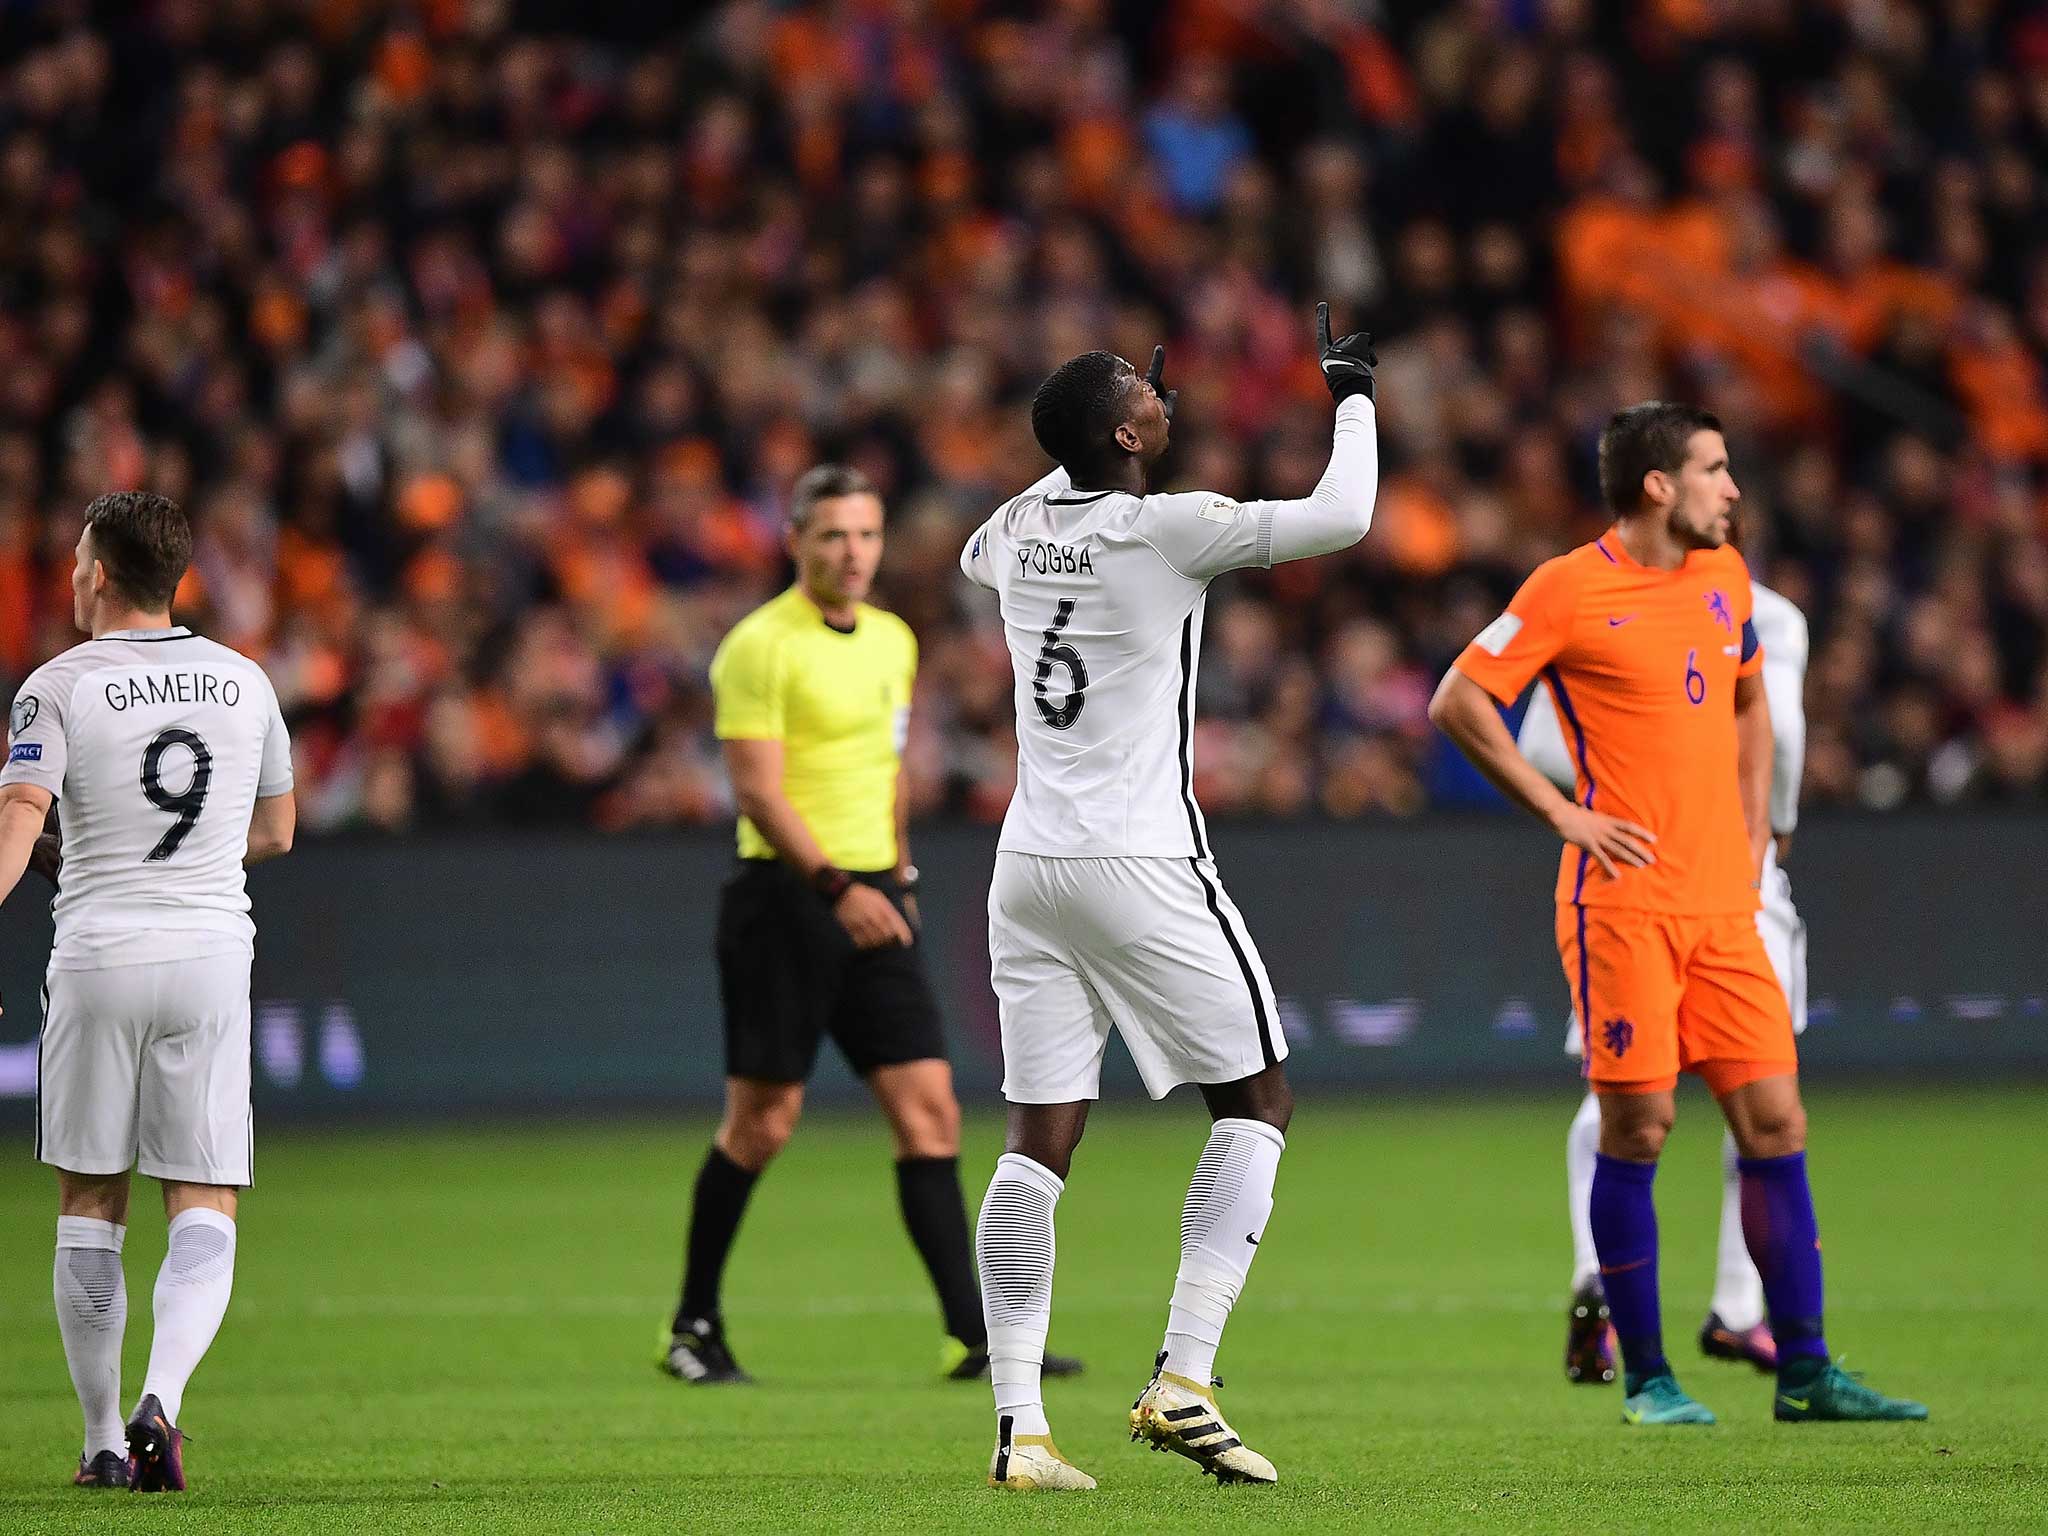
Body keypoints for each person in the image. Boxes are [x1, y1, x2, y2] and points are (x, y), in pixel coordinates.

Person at [1429, 402, 1925, 1426]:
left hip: (1722, 906)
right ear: (1658, 485)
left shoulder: (1723, 577)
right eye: (1715, 469)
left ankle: (1804, 1371)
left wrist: (1751, 829)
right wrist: (1563, 812)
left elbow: (1747, 700)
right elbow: (1458, 702)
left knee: (1774, 1121)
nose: (1732, 489)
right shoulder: (1567, 587)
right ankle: (1650, 1378)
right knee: (1639, 1126)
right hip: (1620, 909)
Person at [960, 306, 1379, 1491]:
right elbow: (1343, 516)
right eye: (1142, 402)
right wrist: (1348, 390)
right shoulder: (1169, 530)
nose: (1165, 400)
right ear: (1127, 439)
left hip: (1027, 866)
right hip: (1138, 859)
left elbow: (988, 546)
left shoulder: (1014, 522)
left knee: (1036, 1144)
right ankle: (1183, 1377)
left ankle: (1018, 1432)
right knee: (1257, 1098)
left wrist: (1091, 441)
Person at [660, 464, 1080, 1387]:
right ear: (795, 542)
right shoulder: (759, 648)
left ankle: (972, 1336)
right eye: (832, 537)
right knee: (765, 1122)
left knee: (930, 1110)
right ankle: (693, 1326)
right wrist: (835, 888)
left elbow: (887, 771)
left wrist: (898, 875)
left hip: (877, 892)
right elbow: (758, 793)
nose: (852, 554)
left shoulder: (891, 641)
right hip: (785, 899)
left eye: (865, 536)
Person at [0, 491, 297, 1491]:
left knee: (91, 1202)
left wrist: (72, 853)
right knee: (203, 1203)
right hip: (212, 955)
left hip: (100, 956)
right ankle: (160, 1401)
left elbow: (16, 829)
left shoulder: (58, 685)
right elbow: (277, 832)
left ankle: (96, 1443)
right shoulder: (244, 681)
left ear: (94, 573)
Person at [1520, 532, 1809, 1385]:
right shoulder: (1767, 614)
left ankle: (1599, 1272)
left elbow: (1537, 743)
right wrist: (1766, 827)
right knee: (1754, 1106)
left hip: (1641, 875)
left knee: (1627, 1094)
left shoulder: (1603, 605)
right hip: (1706, 883)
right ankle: (1737, 1306)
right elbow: (1780, 734)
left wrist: (1610, 787)